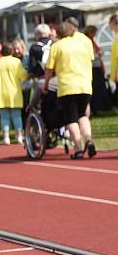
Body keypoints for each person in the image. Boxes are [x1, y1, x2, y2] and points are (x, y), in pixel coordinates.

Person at [44, 21, 96, 159]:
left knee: (72, 118)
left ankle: (79, 149)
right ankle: (89, 140)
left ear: (59, 33)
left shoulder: (57, 46)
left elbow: (49, 69)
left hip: (67, 86)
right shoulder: (84, 42)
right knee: (83, 115)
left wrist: (46, 84)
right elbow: (91, 59)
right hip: (85, 85)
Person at [0, 41, 28, 145]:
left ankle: (6, 137)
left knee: (4, 116)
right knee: (17, 115)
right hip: (14, 93)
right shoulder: (16, 62)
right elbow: (23, 76)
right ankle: (19, 136)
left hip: (1, 93)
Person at [85, 25, 110, 114]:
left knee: (100, 87)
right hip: (93, 68)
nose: (94, 34)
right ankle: (97, 107)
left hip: (98, 67)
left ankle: (103, 106)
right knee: (96, 88)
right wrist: (97, 54)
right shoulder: (87, 41)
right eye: (93, 32)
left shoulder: (93, 41)